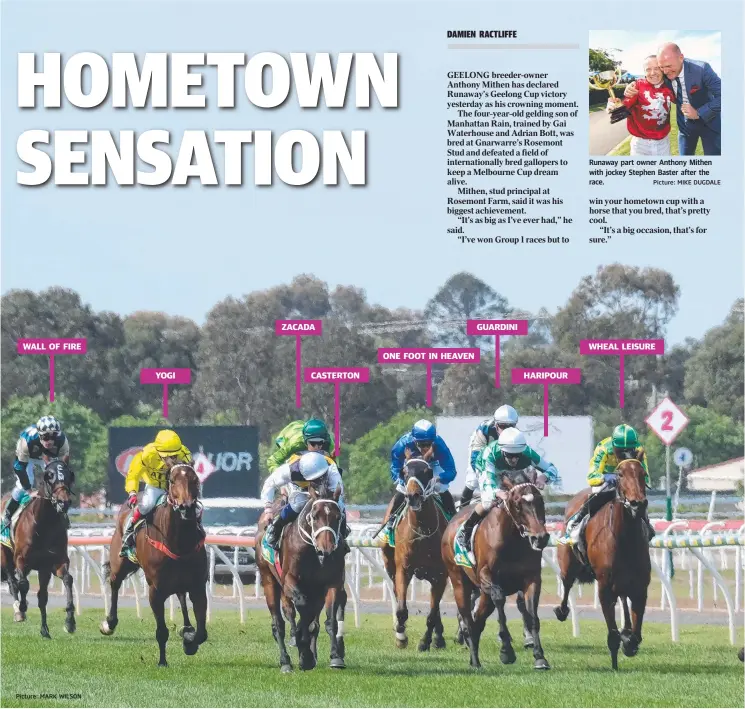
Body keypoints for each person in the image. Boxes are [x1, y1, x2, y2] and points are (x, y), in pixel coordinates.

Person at [456, 428, 559, 556]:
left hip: (510, 472)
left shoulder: (527, 453)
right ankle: (466, 530)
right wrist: (497, 492)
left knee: (529, 497)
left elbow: (552, 469)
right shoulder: (491, 454)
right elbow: (489, 485)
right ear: (503, 451)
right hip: (488, 469)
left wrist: (543, 477)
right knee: (489, 502)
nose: (514, 459)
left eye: (517, 455)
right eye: (510, 455)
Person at [561, 424, 655, 546]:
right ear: (614, 446)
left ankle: (647, 524)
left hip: (628, 481)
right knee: (597, 494)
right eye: (621, 451)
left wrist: (637, 482)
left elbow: (646, 476)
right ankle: (575, 525)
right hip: (606, 481)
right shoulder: (604, 448)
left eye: (629, 450)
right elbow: (591, 477)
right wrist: (604, 477)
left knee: (639, 497)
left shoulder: (639, 450)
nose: (625, 453)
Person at [625, 42, 721, 156]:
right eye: (662, 67)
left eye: (669, 66)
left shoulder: (702, 69)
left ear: (681, 58)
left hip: (708, 124)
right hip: (685, 127)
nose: (665, 71)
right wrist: (630, 86)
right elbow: (649, 81)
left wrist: (699, 113)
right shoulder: (664, 75)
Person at [120, 429, 195, 556]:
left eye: (175, 456)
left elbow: (189, 476)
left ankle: (197, 533)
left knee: (195, 507)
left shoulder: (185, 454)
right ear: (159, 453)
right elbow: (133, 475)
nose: (172, 459)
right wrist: (132, 492)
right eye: (168, 456)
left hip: (176, 488)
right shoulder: (146, 455)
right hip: (156, 487)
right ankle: (129, 534)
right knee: (147, 506)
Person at [262, 451, 348, 551]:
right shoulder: (290, 470)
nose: (319, 479)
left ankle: (342, 535)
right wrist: (268, 509)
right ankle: (276, 528)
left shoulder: (331, 469)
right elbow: (269, 484)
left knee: (339, 505)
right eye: (315, 479)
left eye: (321, 476)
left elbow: (337, 494)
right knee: (298, 505)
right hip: (298, 486)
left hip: (326, 488)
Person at [384, 419, 458, 529]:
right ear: (414, 440)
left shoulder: (440, 445)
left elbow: (451, 470)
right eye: (422, 444)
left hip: (432, 465)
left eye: (429, 444)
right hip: (411, 465)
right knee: (401, 488)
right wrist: (401, 478)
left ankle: (452, 516)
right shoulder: (403, 444)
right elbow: (395, 467)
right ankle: (392, 517)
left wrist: (439, 478)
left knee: (441, 488)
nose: (426, 448)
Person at [2, 416, 71, 533]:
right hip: (27, 456)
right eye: (45, 437)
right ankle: (8, 515)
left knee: (56, 482)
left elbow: (64, 462)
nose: (49, 441)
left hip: (46, 455)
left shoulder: (62, 441)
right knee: (22, 486)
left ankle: (61, 513)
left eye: (52, 436)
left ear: (57, 435)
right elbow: (19, 468)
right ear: (39, 435)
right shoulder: (26, 442)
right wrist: (29, 491)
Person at [614, 56, 675, 156]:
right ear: (644, 72)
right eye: (648, 69)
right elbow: (624, 108)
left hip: (663, 144)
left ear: (662, 68)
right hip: (640, 146)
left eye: (656, 68)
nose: (652, 73)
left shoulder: (670, 86)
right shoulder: (637, 86)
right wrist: (614, 107)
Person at [460, 405, 520, 507]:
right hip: (481, 455)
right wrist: (488, 475)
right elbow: (475, 460)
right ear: (496, 425)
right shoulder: (484, 431)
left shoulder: (517, 435)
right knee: (472, 481)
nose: (506, 431)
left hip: (499, 457)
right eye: (503, 426)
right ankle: (461, 508)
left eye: (510, 427)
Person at [266, 419, 337, 474]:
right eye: (313, 443)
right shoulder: (295, 444)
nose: (316, 447)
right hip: (285, 437)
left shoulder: (330, 445)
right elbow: (272, 461)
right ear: (306, 442)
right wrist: (281, 483)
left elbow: (334, 469)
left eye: (320, 442)